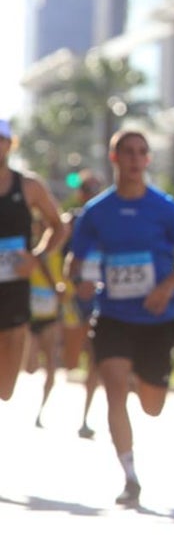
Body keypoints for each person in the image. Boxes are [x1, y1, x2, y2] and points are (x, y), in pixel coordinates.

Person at [69, 129, 174, 508]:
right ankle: (130, 476)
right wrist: (82, 283)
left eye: (142, 152)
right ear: (115, 159)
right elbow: (78, 261)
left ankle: (144, 376)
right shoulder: (97, 212)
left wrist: (166, 286)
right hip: (113, 316)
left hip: (157, 318)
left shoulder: (165, 208)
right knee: (114, 390)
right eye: (128, 152)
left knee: (152, 405)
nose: (135, 159)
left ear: (148, 160)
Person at [0, 118, 65, 403]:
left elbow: (59, 225)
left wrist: (37, 257)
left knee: (5, 390)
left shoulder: (28, 186)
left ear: (10, 144)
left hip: (15, 291)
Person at [60, 170, 105, 439]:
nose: (92, 194)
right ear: (80, 193)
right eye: (87, 189)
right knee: (70, 361)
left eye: (96, 189)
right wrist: (76, 283)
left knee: (96, 358)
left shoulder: (109, 218)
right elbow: (65, 261)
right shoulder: (73, 221)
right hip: (76, 297)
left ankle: (85, 417)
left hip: (101, 297)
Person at [24, 216, 64, 427]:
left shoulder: (58, 251)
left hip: (50, 314)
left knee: (51, 365)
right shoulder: (27, 249)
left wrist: (62, 289)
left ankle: (41, 411)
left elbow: (64, 277)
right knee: (30, 366)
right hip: (28, 316)